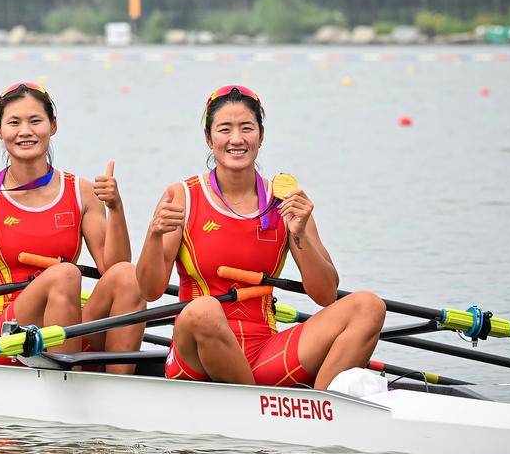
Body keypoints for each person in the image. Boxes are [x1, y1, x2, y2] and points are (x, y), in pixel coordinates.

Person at [135, 85, 386, 389]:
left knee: (369, 306)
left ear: (261, 136)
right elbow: (149, 291)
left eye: (247, 128)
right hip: (197, 356)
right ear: (209, 139)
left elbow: (325, 296)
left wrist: (299, 235)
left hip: (264, 353)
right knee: (203, 310)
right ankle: (258, 403)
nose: (237, 139)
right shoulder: (183, 197)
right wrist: (153, 235)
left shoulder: (286, 200)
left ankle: (322, 407)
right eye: (225, 129)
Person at [0, 83, 146, 371]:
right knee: (65, 274)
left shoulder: (82, 192)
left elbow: (114, 269)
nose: (25, 131)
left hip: (63, 325)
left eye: (35, 121)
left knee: (129, 275)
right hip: (0, 336)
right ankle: (68, 379)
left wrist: (115, 207)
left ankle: (119, 385)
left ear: (53, 126)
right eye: (14, 122)